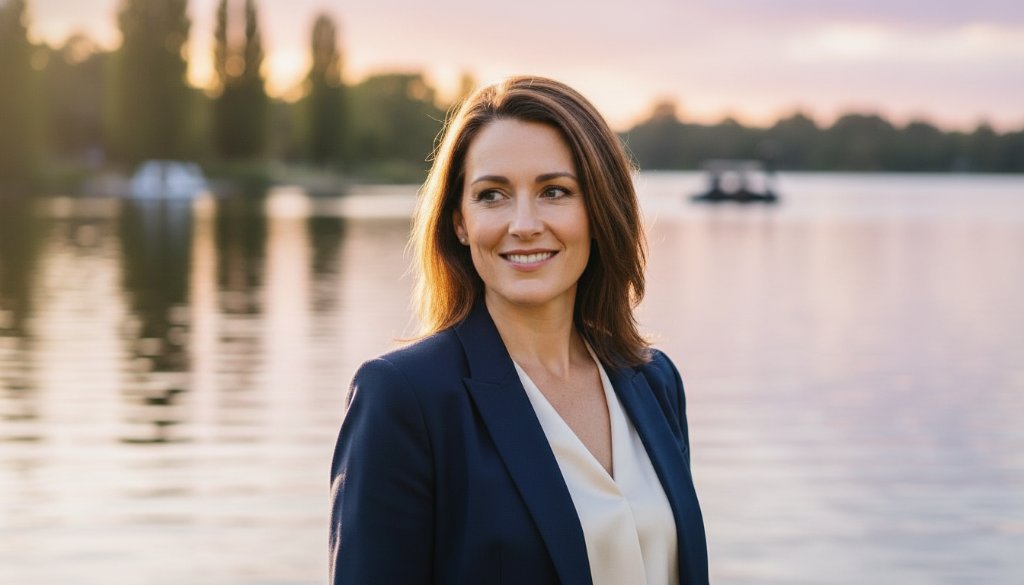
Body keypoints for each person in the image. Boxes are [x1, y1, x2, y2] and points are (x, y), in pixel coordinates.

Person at [329, 76, 708, 585]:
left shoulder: (654, 381)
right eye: (492, 195)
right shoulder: (405, 399)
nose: (524, 224)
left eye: (554, 191)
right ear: (459, 221)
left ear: (597, 209)